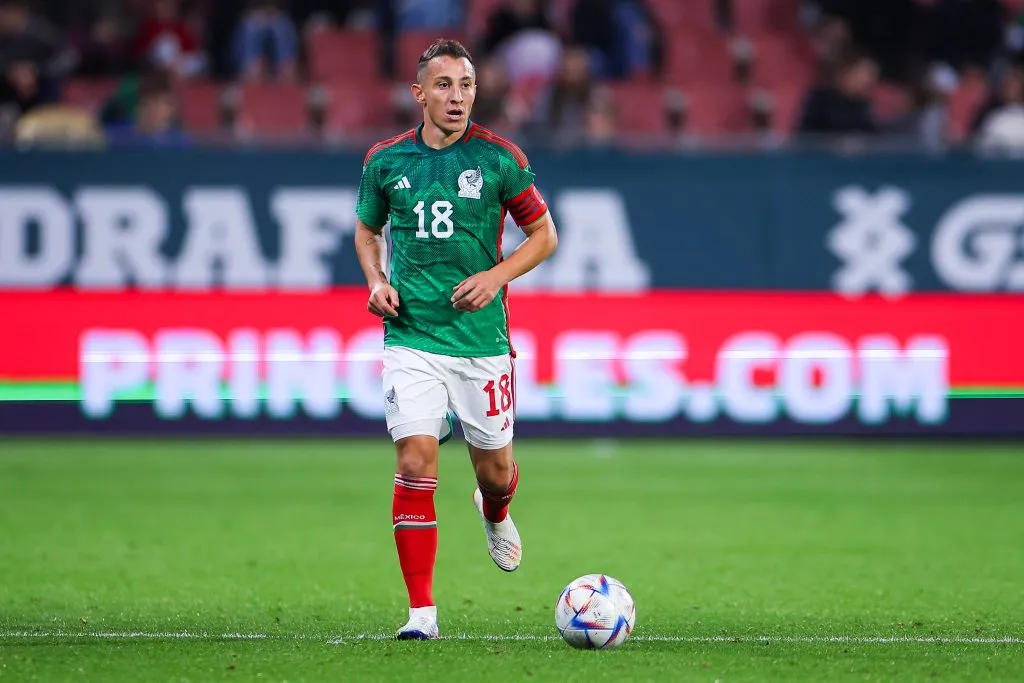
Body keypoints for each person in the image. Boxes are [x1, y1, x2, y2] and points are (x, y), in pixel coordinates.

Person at [353, 38, 558, 640]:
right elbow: (368, 232)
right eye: (444, 85)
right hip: (411, 336)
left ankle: (494, 510)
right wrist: (375, 279)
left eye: (466, 85)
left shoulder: (500, 159)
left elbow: (544, 235)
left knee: (494, 472)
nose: (457, 97)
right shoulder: (385, 161)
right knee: (416, 460)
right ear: (419, 94)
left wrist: (496, 277)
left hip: (480, 342)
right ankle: (422, 614)